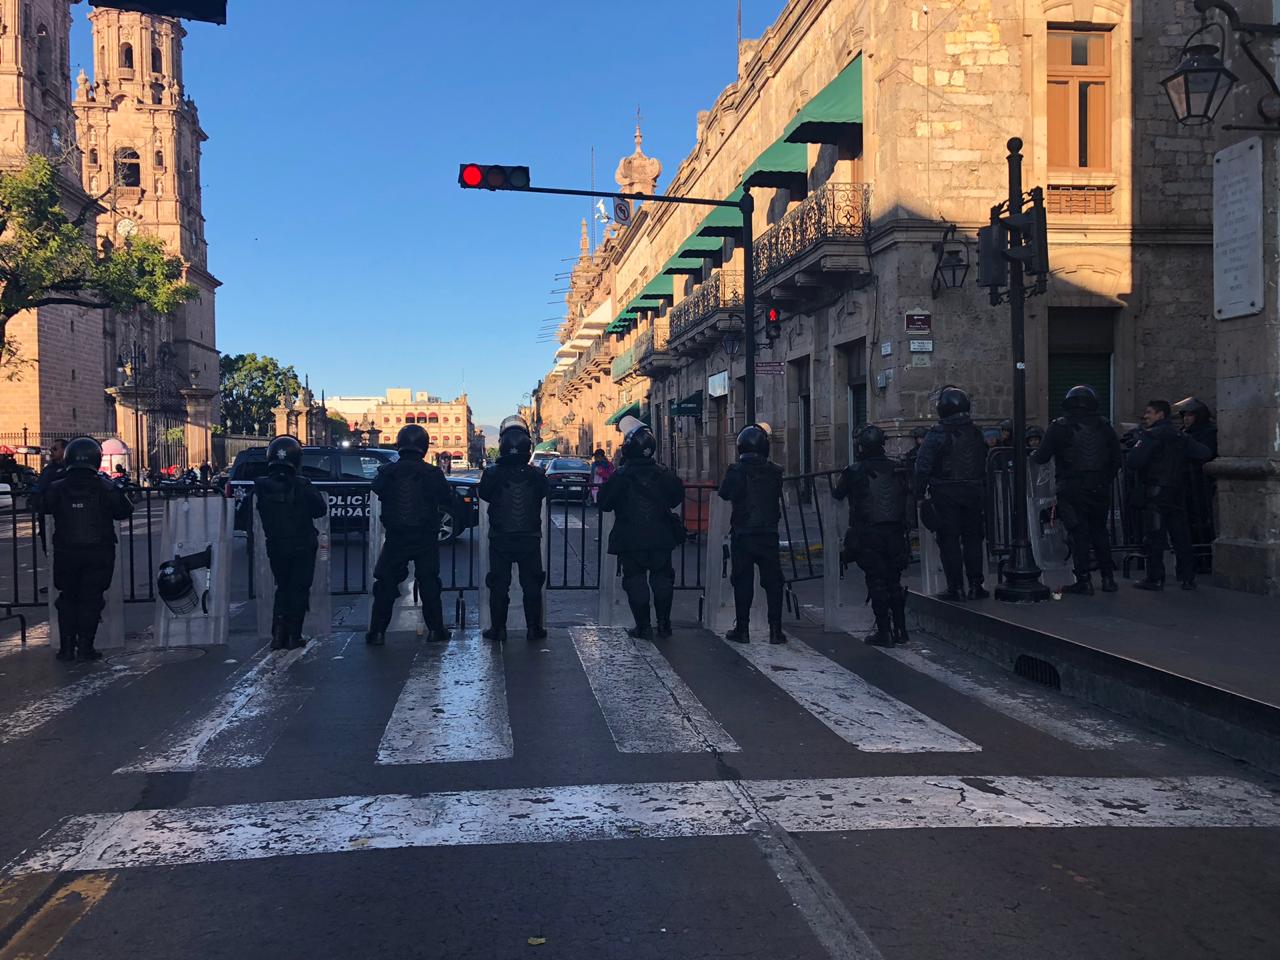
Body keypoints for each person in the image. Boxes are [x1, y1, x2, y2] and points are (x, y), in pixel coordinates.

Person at [41, 438, 133, 661]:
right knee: (91, 599)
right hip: (98, 550)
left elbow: (42, 506)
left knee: (67, 598)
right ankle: (85, 647)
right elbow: (124, 511)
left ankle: (66, 647)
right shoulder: (105, 486)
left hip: (66, 550)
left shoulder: (57, 486)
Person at [366, 424, 457, 646]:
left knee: (386, 583)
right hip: (425, 536)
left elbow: (377, 489)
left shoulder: (387, 472)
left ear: (400, 444)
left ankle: (377, 632)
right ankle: (435, 630)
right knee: (429, 583)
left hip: (396, 536)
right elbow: (447, 497)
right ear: (424, 447)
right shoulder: (431, 473)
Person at [1033, 385, 1123, 595]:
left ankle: (1083, 580)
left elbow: (1041, 456)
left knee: (1078, 533)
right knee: (1100, 531)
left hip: (1072, 488)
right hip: (1099, 487)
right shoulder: (1105, 426)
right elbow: (1116, 459)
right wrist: (1104, 479)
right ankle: (1108, 579)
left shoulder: (1059, 427)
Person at [599, 422, 685, 639]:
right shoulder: (663, 473)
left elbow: (605, 503)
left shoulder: (620, 475)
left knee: (635, 580)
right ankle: (665, 625)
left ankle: (644, 626)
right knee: (663, 579)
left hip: (630, 537)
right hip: (660, 535)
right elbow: (676, 497)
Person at [834, 424, 911, 646]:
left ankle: (885, 632)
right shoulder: (897, 468)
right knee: (894, 581)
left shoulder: (854, 471)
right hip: (896, 532)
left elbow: (837, 494)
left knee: (877, 582)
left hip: (869, 532)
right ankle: (901, 629)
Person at [1126, 399, 1212, 591]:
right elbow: (1204, 452)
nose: (1146, 416)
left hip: (1156, 491)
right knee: (1181, 535)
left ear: (1160, 415)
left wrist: (1138, 442)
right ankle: (1188, 577)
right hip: (1177, 491)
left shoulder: (1151, 436)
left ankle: (1155, 577)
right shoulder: (1180, 436)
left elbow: (1134, 461)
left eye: (1149, 412)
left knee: (1155, 535)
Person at [915, 386, 988, 601]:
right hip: (974, 492)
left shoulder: (937, 434)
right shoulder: (976, 432)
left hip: (946, 493)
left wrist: (919, 493)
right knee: (973, 539)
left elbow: (922, 466)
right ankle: (976, 584)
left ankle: (955, 587)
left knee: (949, 541)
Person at [479, 417, 549, 643]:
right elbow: (544, 494)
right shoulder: (537, 475)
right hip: (529, 536)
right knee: (532, 583)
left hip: (501, 536)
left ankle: (498, 629)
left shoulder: (492, 473)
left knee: (499, 584)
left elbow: (484, 494)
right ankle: (534, 629)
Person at [254, 436, 327, 650]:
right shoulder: (301, 484)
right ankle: (294, 635)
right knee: (299, 589)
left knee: (283, 588)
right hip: (302, 544)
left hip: (275, 545)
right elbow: (320, 509)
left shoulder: (261, 486)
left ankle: (278, 635)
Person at [718, 424, 786, 644]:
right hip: (768, 532)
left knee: (743, 581)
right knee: (773, 582)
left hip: (744, 532)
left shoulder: (736, 470)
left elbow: (724, 493)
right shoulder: (776, 471)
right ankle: (776, 630)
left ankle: (743, 629)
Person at [1172, 396, 1218, 548]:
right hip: (1183, 482)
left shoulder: (1208, 431)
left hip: (1199, 482)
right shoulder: (1183, 432)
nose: (1186, 419)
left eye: (1190, 415)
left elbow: (1206, 452)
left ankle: (1203, 555)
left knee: (1201, 519)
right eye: (1184, 415)